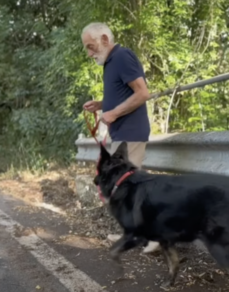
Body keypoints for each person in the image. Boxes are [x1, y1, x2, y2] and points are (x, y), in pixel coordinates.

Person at [81, 22, 159, 254]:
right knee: (124, 188)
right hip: (121, 133)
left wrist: (114, 113)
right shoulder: (111, 62)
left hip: (131, 133)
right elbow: (122, 93)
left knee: (132, 187)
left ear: (105, 39)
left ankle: (155, 236)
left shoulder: (123, 57)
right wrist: (101, 105)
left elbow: (143, 93)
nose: (89, 53)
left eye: (91, 46)